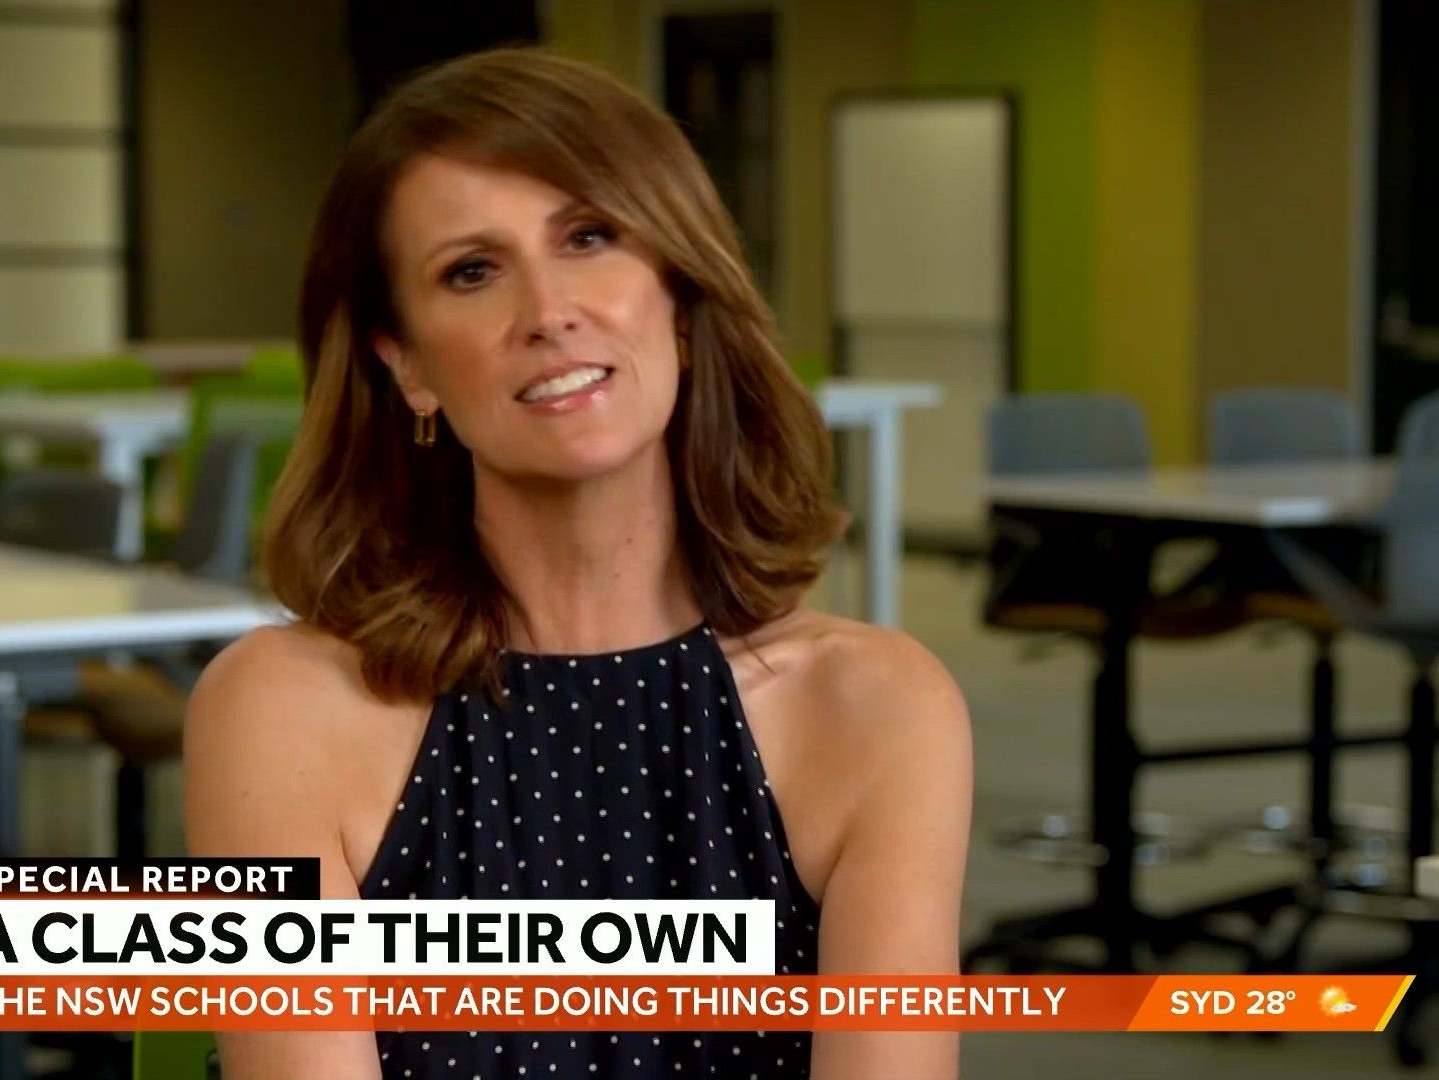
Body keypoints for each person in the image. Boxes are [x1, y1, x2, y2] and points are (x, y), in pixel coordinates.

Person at [182, 47, 973, 1080]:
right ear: (407, 364)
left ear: (679, 298)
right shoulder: (281, 711)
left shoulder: (878, 708)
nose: (548, 312)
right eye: (472, 271)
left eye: (589, 237)